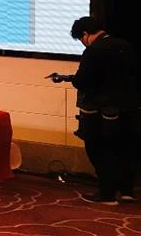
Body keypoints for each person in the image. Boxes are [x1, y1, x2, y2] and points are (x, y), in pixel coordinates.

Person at [50, 17, 138, 205]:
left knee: (99, 149)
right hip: (129, 107)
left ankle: (106, 194)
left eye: (81, 39)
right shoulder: (126, 45)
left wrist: (72, 79)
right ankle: (126, 191)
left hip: (99, 111)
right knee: (125, 148)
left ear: (85, 34)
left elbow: (81, 81)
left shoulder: (93, 51)